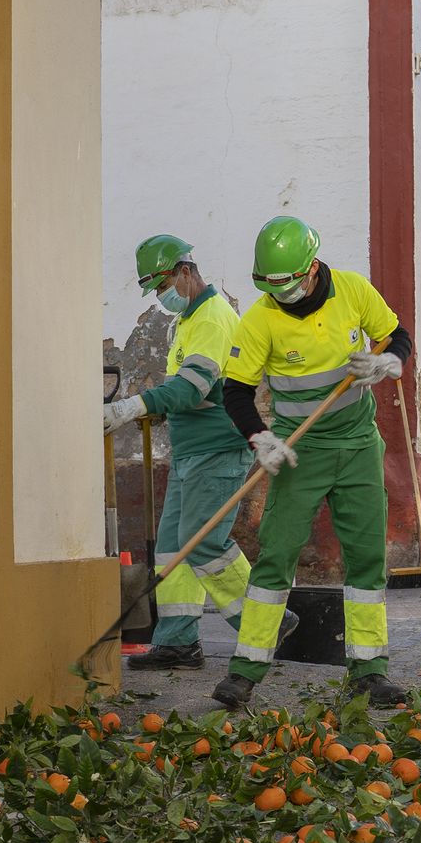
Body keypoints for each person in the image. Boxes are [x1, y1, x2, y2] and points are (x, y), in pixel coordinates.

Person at [213, 216, 414, 709]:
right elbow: (236, 392)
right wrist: (260, 438)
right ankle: (244, 672)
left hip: (359, 447)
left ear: (311, 268)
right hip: (300, 455)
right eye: (268, 285)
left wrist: (391, 363)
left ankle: (369, 671)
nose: (278, 294)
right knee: (276, 554)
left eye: (286, 283)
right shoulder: (259, 319)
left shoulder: (353, 291)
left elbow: (395, 335)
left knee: (366, 557)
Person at [102, 234, 296, 671]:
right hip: (192, 454)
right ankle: (176, 642)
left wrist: (133, 407)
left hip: (217, 451)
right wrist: (157, 412)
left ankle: (268, 621)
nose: (160, 296)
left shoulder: (211, 319)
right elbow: (192, 392)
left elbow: (192, 388)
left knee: (204, 541)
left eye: (162, 285)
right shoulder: (189, 320)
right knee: (172, 547)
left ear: (185, 272)